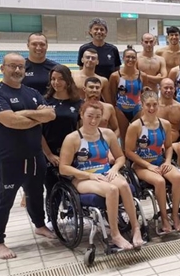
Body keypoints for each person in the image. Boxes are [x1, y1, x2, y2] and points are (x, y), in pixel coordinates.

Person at [0, 53, 56, 259]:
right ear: (2, 68)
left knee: (35, 194)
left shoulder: (31, 92)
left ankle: (40, 225)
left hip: (34, 155)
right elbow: (10, 122)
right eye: (12, 66)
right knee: (4, 199)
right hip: (9, 158)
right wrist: (36, 116)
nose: (17, 70)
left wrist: (23, 115)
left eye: (20, 67)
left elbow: (50, 115)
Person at [59, 101, 145, 250]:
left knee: (124, 185)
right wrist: (89, 175)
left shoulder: (107, 134)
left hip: (106, 172)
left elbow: (120, 157)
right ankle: (115, 234)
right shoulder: (72, 138)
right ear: (81, 115)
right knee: (111, 190)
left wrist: (115, 169)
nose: (93, 120)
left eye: (97, 117)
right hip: (83, 177)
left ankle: (136, 228)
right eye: (90, 116)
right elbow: (63, 168)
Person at [124, 90, 180, 232]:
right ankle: (164, 218)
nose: (151, 108)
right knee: (159, 181)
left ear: (158, 105)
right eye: (148, 105)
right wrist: (148, 165)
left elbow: (168, 147)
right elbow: (129, 152)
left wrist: (168, 161)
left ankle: (174, 215)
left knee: (178, 177)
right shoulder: (135, 127)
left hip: (160, 162)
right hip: (140, 166)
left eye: (154, 105)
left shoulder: (165, 124)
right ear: (142, 105)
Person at [41, 65, 83, 227]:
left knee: (73, 184)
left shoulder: (78, 103)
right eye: (53, 79)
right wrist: (49, 155)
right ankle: (51, 219)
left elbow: (81, 130)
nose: (56, 82)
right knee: (52, 187)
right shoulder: (44, 103)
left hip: (72, 153)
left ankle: (73, 213)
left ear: (68, 81)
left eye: (60, 79)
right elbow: (39, 133)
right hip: (51, 152)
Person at [157, 78, 180, 172]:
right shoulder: (153, 107)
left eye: (171, 88)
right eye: (166, 88)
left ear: (175, 89)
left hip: (174, 143)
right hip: (157, 143)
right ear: (159, 88)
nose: (168, 90)